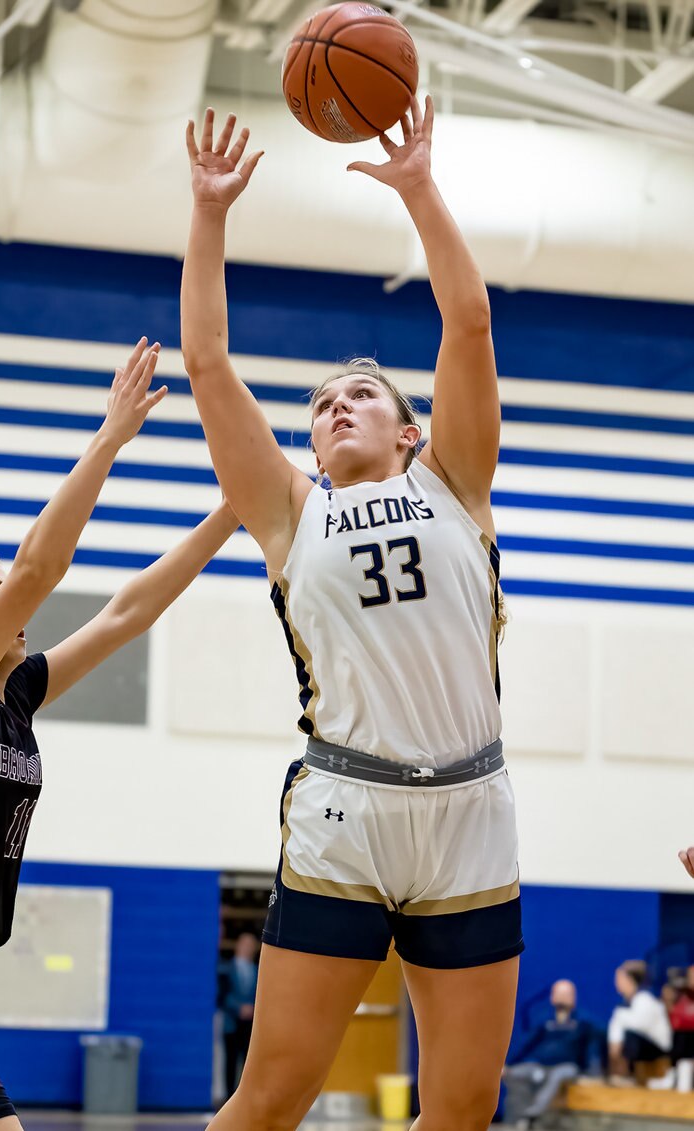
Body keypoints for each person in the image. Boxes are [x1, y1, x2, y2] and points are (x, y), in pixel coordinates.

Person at [181, 100, 522, 1131]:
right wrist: (209, 218)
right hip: (346, 812)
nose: (335, 405)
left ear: (411, 428)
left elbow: (467, 321)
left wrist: (418, 185)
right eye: (322, 403)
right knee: (273, 1093)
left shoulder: (455, 484)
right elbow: (206, 364)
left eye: (361, 394)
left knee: (460, 1109)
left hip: (471, 813)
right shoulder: (288, 510)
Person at [0, 338, 238, 1131]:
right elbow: (41, 567)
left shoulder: (15, 698)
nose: (16, 603)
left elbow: (127, 611)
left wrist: (236, 507)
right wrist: (109, 438)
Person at [503, 980, 601, 1129]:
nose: (562, 998)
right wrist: (506, 1064)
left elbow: (592, 1050)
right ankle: (514, 1120)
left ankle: (532, 1115)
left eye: (566, 994)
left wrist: (595, 1074)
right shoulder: (543, 1020)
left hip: (567, 1067)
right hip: (539, 1066)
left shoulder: (584, 1022)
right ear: (552, 997)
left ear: (573, 997)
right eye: (559, 994)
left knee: (558, 1077)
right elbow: (526, 1044)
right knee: (515, 1073)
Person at [608, 961, 672, 1085]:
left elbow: (638, 1026)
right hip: (639, 1047)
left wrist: (619, 1021)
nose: (616, 982)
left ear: (630, 979)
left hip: (658, 1049)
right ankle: (615, 1076)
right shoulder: (623, 1006)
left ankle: (629, 1076)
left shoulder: (645, 1000)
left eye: (620, 978)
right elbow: (615, 1031)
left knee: (630, 1036)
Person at [219, 933, 260, 1098]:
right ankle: (228, 1096)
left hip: (250, 1024)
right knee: (230, 1060)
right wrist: (238, 1008)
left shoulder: (258, 970)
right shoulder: (227, 969)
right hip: (232, 1022)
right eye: (245, 944)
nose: (247, 948)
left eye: (251, 945)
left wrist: (252, 1008)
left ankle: (244, 1097)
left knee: (247, 1062)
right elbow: (222, 995)